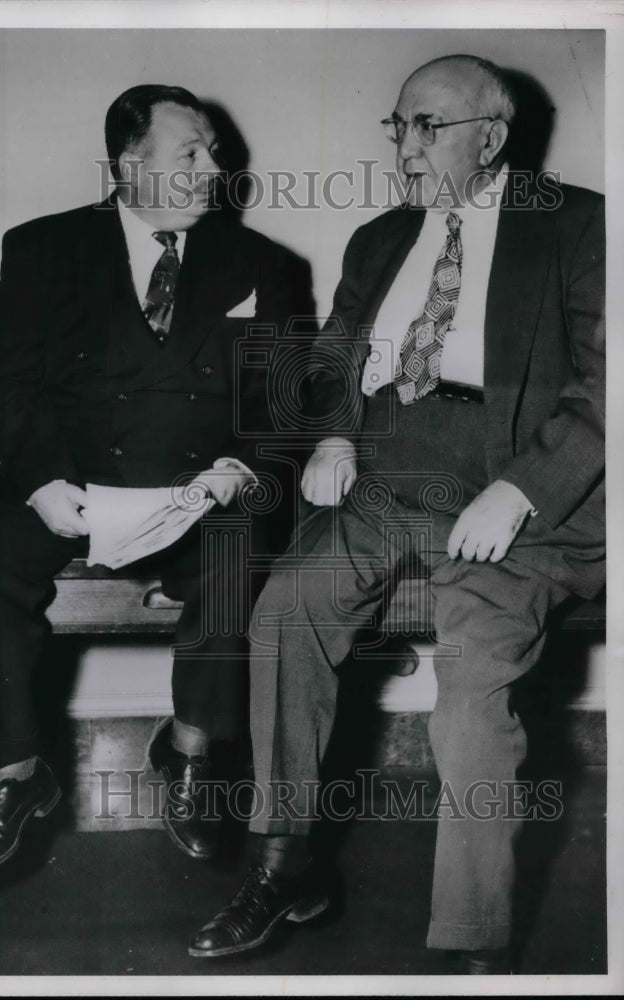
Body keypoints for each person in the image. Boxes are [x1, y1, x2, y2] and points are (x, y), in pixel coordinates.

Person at [188, 55, 605, 973]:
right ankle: (284, 861)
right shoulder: (380, 238)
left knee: (469, 699)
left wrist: (524, 487)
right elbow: (336, 360)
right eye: (399, 126)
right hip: (386, 476)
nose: (406, 146)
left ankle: (474, 945)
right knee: (286, 607)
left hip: (514, 497)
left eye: (429, 127)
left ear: (490, 138)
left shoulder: (581, 225)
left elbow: (605, 382)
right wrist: (334, 436)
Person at [0, 84, 307, 879]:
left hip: (199, 490)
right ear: (127, 166)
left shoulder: (265, 265)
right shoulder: (42, 248)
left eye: (213, 150)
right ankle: (13, 780)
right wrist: (39, 483)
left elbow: (283, 410)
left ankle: (193, 758)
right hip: (64, 480)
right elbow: (9, 387)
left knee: (241, 560)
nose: (215, 168)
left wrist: (238, 474)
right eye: (192, 153)